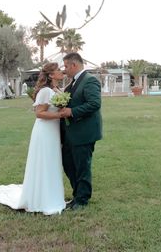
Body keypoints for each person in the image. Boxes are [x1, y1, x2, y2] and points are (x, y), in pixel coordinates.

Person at [0, 63, 66, 215]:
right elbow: (39, 113)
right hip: (45, 131)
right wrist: (60, 115)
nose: (61, 71)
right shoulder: (45, 91)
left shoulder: (56, 89)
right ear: (51, 75)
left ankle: (52, 195)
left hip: (53, 131)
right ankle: (42, 199)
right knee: (45, 162)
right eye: (58, 70)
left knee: (52, 162)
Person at [59, 52, 102, 210]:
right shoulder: (72, 83)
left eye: (65, 67)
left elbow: (94, 104)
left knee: (82, 166)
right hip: (71, 132)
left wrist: (72, 112)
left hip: (84, 132)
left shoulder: (90, 81)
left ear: (74, 65)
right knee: (68, 163)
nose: (65, 70)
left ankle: (82, 200)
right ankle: (77, 194)